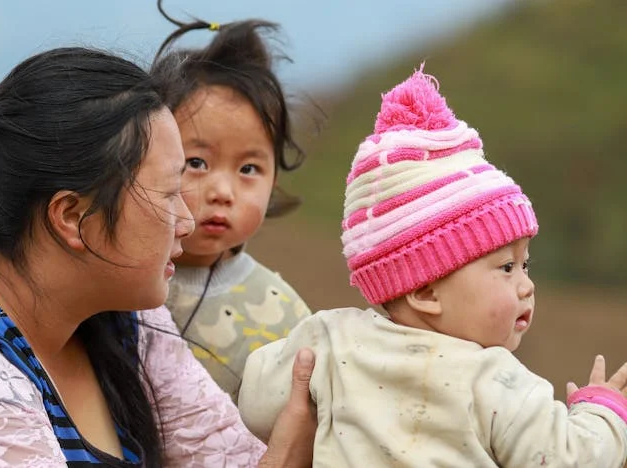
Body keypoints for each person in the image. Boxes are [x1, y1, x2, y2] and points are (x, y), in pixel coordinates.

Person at [0, 46, 317, 467]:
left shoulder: (128, 321)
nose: (187, 222)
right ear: (71, 216)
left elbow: (224, 455)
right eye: (171, 191)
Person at [238, 67, 627, 466]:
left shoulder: (330, 340)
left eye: (525, 265)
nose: (527, 286)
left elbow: (257, 401)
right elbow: (575, 459)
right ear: (425, 290)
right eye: (506, 268)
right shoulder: (496, 382)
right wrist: (602, 411)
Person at [149, 4, 312, 399]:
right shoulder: (116, 286)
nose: (223, 191)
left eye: (249, 169)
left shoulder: (284, 314)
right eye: (197, 162)